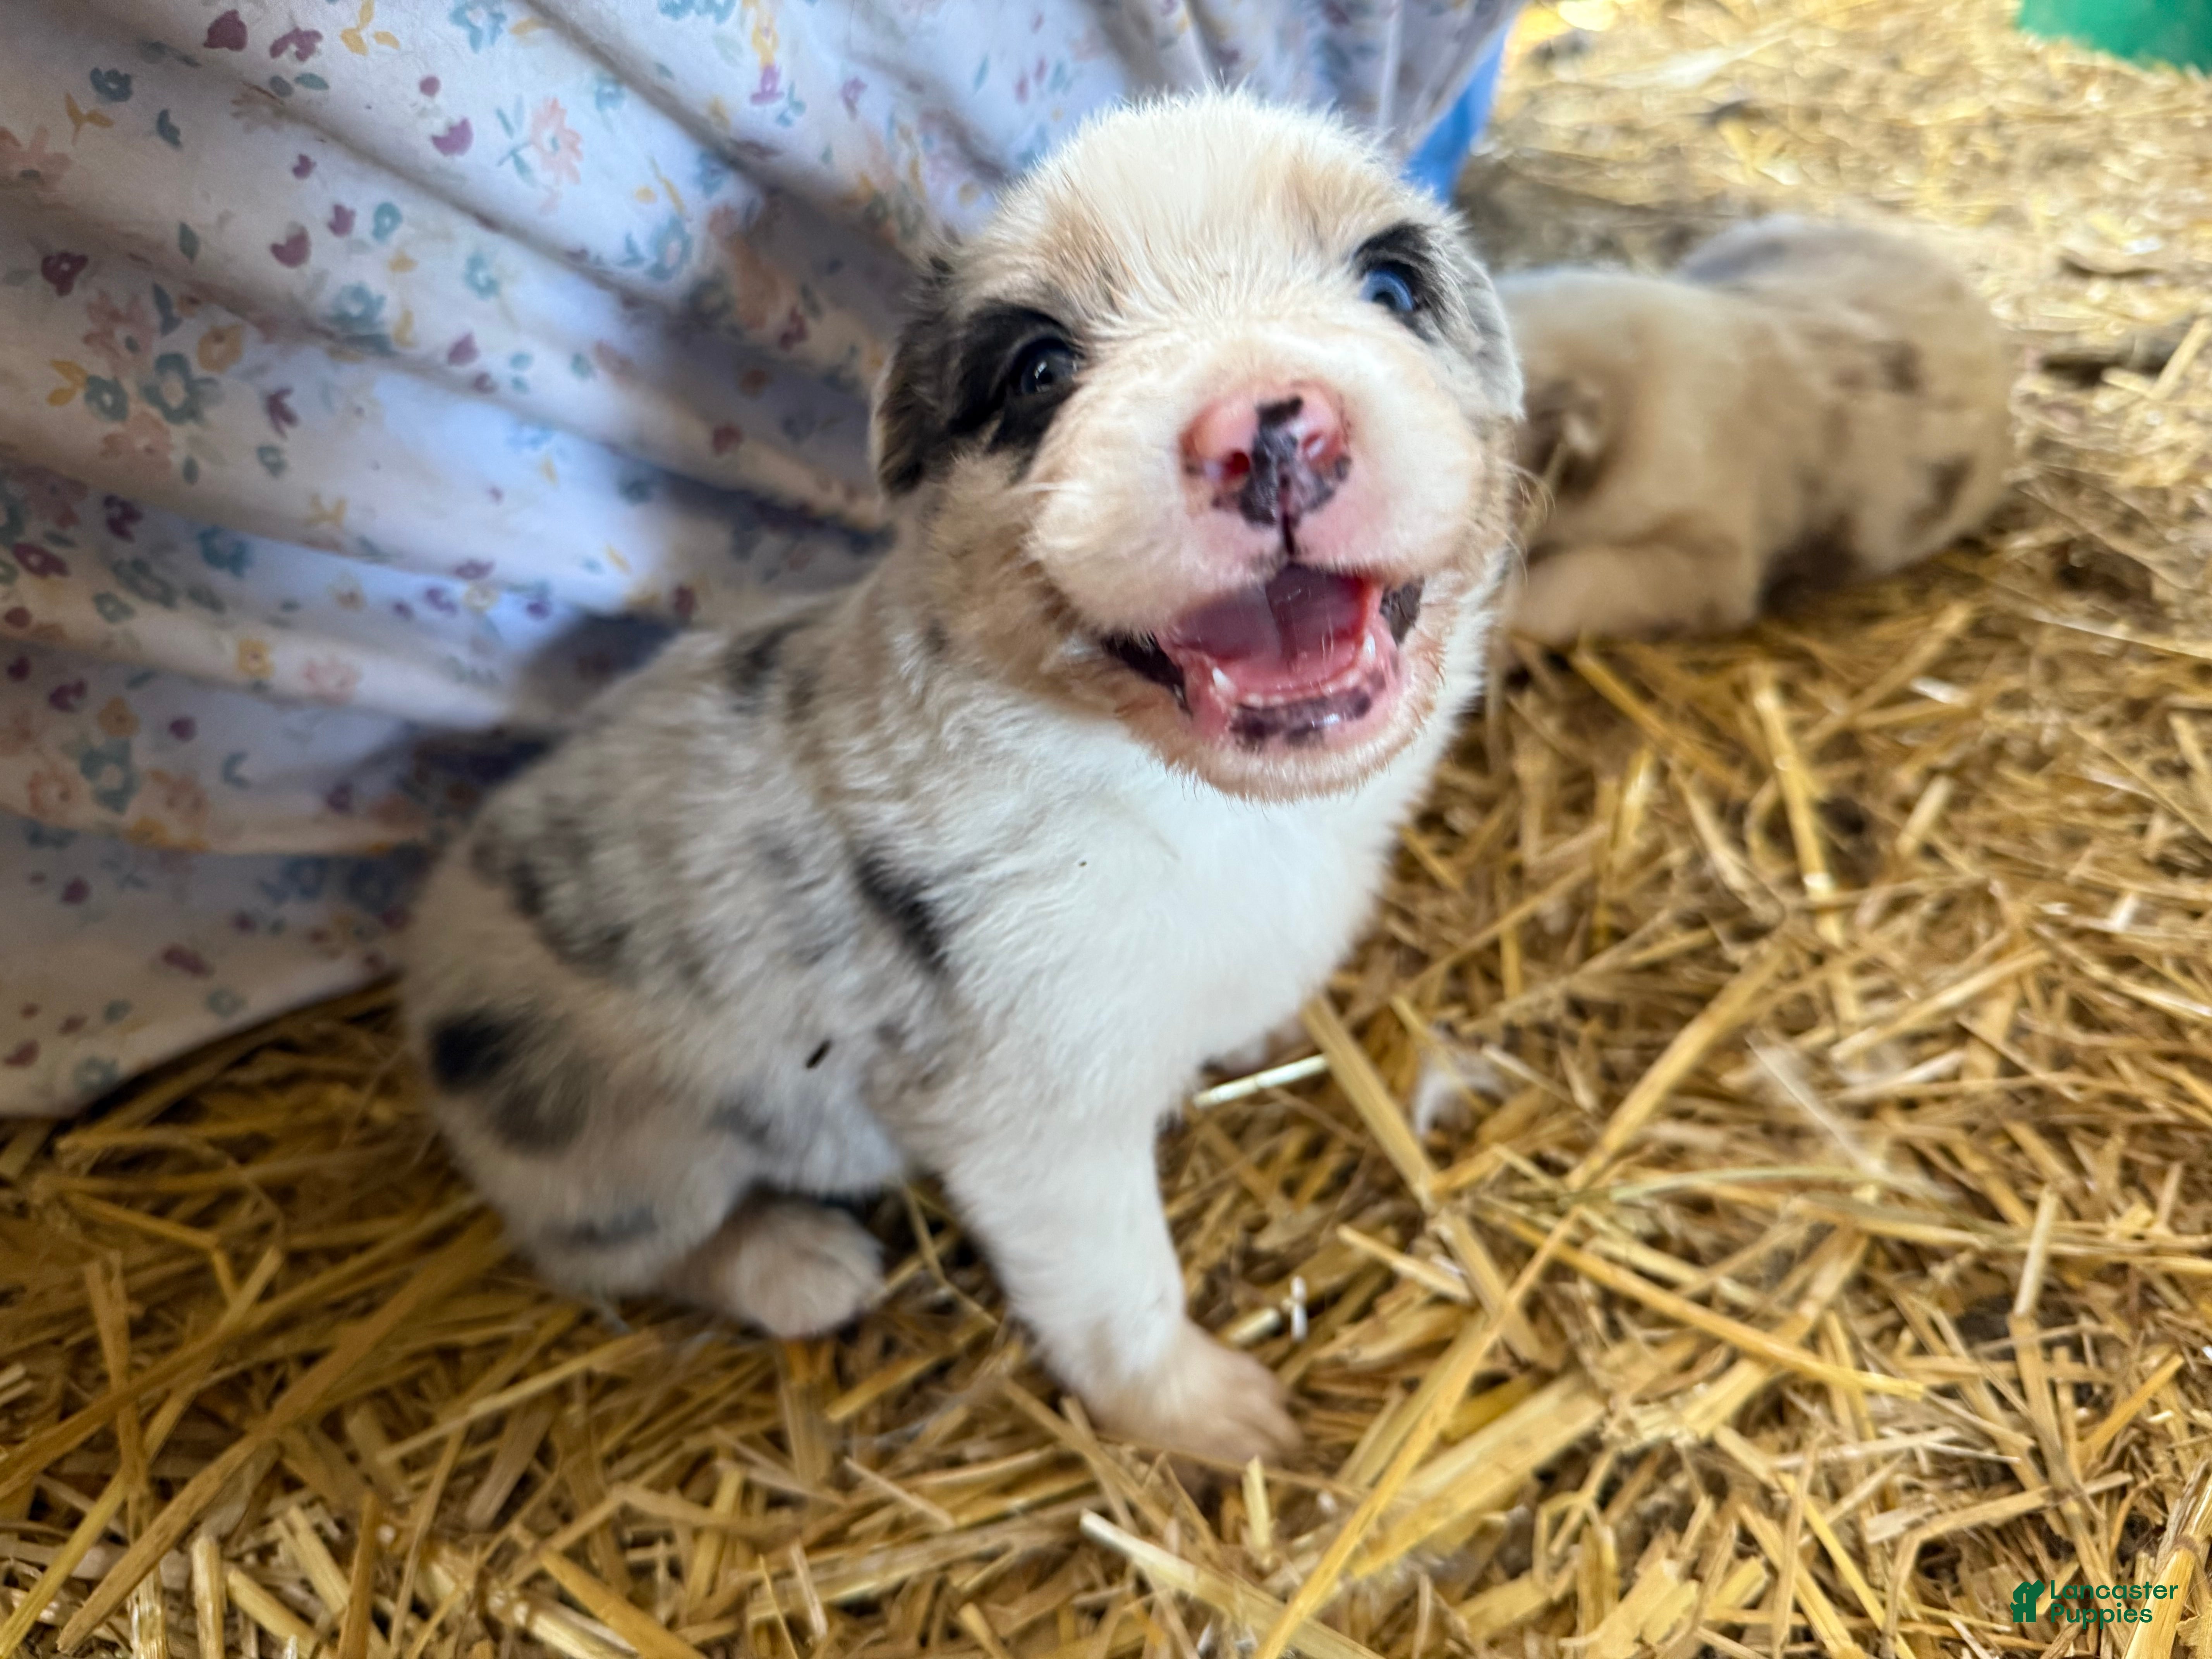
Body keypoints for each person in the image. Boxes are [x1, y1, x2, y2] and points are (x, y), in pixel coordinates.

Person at [0, 0, 1522, 1118]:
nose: (1270, 427)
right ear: (912, 473)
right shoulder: (985, 811)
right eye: (1045, 371)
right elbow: (1014, 1108)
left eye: (1385, 281)